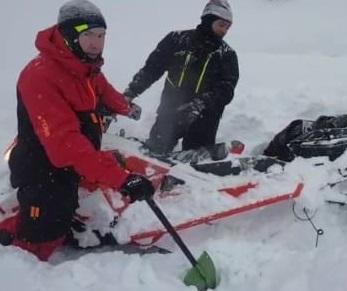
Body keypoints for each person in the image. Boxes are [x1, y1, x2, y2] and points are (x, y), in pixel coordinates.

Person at [0, 0, 156, 262]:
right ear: (70, 36)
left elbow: (103, 91)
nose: (96, 43)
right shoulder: (40, 76)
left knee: (80, 201)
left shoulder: (84, 67)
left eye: (101, 35)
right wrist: (121, 179)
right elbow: (64, 145)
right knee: (42, 240)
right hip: (44, 168)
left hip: (73, 159)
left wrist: (126, 108)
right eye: (87, 35)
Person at [123, 0, 239, 155]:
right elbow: (151, 70)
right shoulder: (176, 40)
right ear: (208, 19)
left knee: (192, 169)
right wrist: (131, 92)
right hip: (170, 113)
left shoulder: (227, 55)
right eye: (221, 24)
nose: (224, 30)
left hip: (204, 119)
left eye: (227, 26)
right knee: (152, 157)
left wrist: (200, 105)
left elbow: (226, 89)